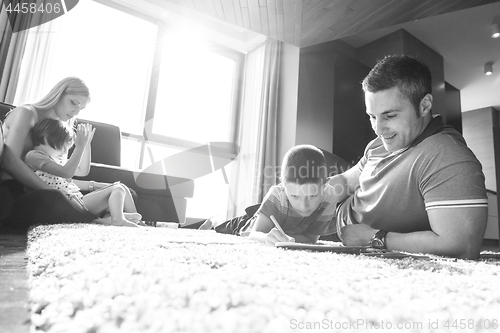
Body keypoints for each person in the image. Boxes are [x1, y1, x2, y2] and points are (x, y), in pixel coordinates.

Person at [330, 55, 488, 259]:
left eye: (390, 116)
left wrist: (374, 238)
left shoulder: (447, 155)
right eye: (372, 116)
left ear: (424, 105)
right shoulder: (380, 143)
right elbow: (346, 180)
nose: (378, 129)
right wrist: (313, 198)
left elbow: (461, 246)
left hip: (344, 237)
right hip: (327, 218)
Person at [0, 77, 131, 227]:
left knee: (125, 192)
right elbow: (9, 161)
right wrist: (53, 191)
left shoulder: (60, 130)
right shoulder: (27, 113)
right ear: (59, 94)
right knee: (55, 200)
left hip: (49, 189)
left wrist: (94, 185)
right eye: (73, 102)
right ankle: (102, 220)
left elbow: (61, 176)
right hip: (14, 189)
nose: (75, 111)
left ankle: (107, 219)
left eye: (80, 108)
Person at [201, 144, 338, 245]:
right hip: (249, 223)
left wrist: (288, 238)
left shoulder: (330, 196)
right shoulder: (277, 195)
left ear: (324, 185)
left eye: (312, 196)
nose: (304, 206)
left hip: (281, 222)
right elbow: (254, 234)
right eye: (295, 196)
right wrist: (267, 238)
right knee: (225, 227)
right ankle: (214, 220)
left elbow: (311, 239)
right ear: (284, 187)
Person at [25, 118, 140, 227]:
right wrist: (79, 147)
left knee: (122, 188)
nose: (65, 151)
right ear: (47, 138)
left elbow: (82, 171)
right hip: (70, 204)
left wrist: (86, 145)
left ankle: (129, 221)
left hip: (76, 201)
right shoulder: (34, 155)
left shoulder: (54, 160)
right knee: (117, 189)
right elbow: (67, 172)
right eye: (63, 147)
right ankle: (118, 220)